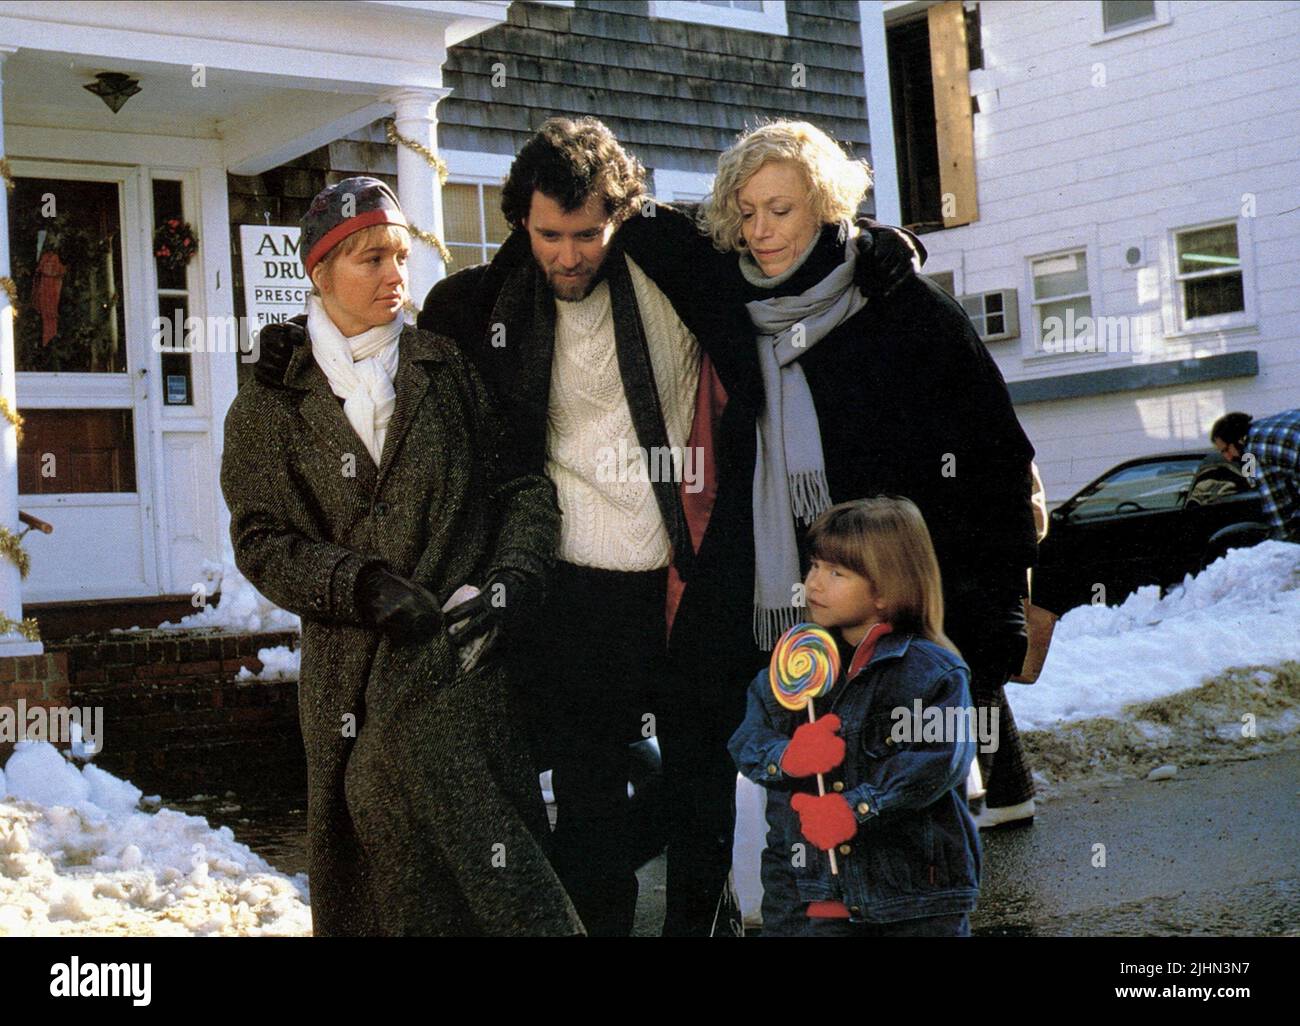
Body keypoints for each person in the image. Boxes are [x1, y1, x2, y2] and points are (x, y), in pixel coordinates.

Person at [251, 118, 920, 936]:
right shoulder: (482, 306)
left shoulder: (678, 263)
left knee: (703, 785)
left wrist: (875, 241)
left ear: (621, 217)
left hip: (690, 571)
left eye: (588, 234)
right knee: (590, 799)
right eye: (549, 235)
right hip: (572, 586)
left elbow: (780, 255)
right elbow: (383, 345)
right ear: (522, 226)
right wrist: (298, 340)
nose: (568, 255)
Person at [220, 177, 583, 936]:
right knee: (375, 878)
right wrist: (357, 584)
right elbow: (260, 537)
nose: (394, 275)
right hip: (347, 674)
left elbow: (522, 486)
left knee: (497, 876)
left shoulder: (448, 371)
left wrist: (513, 577)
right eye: (368, 259)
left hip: (457, 658)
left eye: (399, 255)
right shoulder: (270, 399)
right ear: (319, 273)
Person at [672, 120, 1040, 833]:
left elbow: (993, 440)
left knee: (910, 787)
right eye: (746, 212)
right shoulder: (730, 303)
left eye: (781, 210)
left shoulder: (898, 300)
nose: (761, 231)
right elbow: (638, 226)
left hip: (911, 575)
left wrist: (999, 591)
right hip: (802, 585)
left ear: (825, 207)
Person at [728, 496, 981, 936]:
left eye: (835, 573)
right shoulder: (797, 666)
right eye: (813, 567)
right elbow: (746, 740)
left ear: (886, 591)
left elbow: (939, 760)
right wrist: (788, 757)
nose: (813, 584)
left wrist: (856, 807)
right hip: (809, 896)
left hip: (910, 901)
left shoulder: (932, 673)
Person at [1211, 409, 1300, 543]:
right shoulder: (1260, 428)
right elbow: (1252, 477)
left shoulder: (1254, 452)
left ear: (1239, 440)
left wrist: (1283, 544)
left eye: (1226, 450)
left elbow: (1277, 510)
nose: (1228, 458)